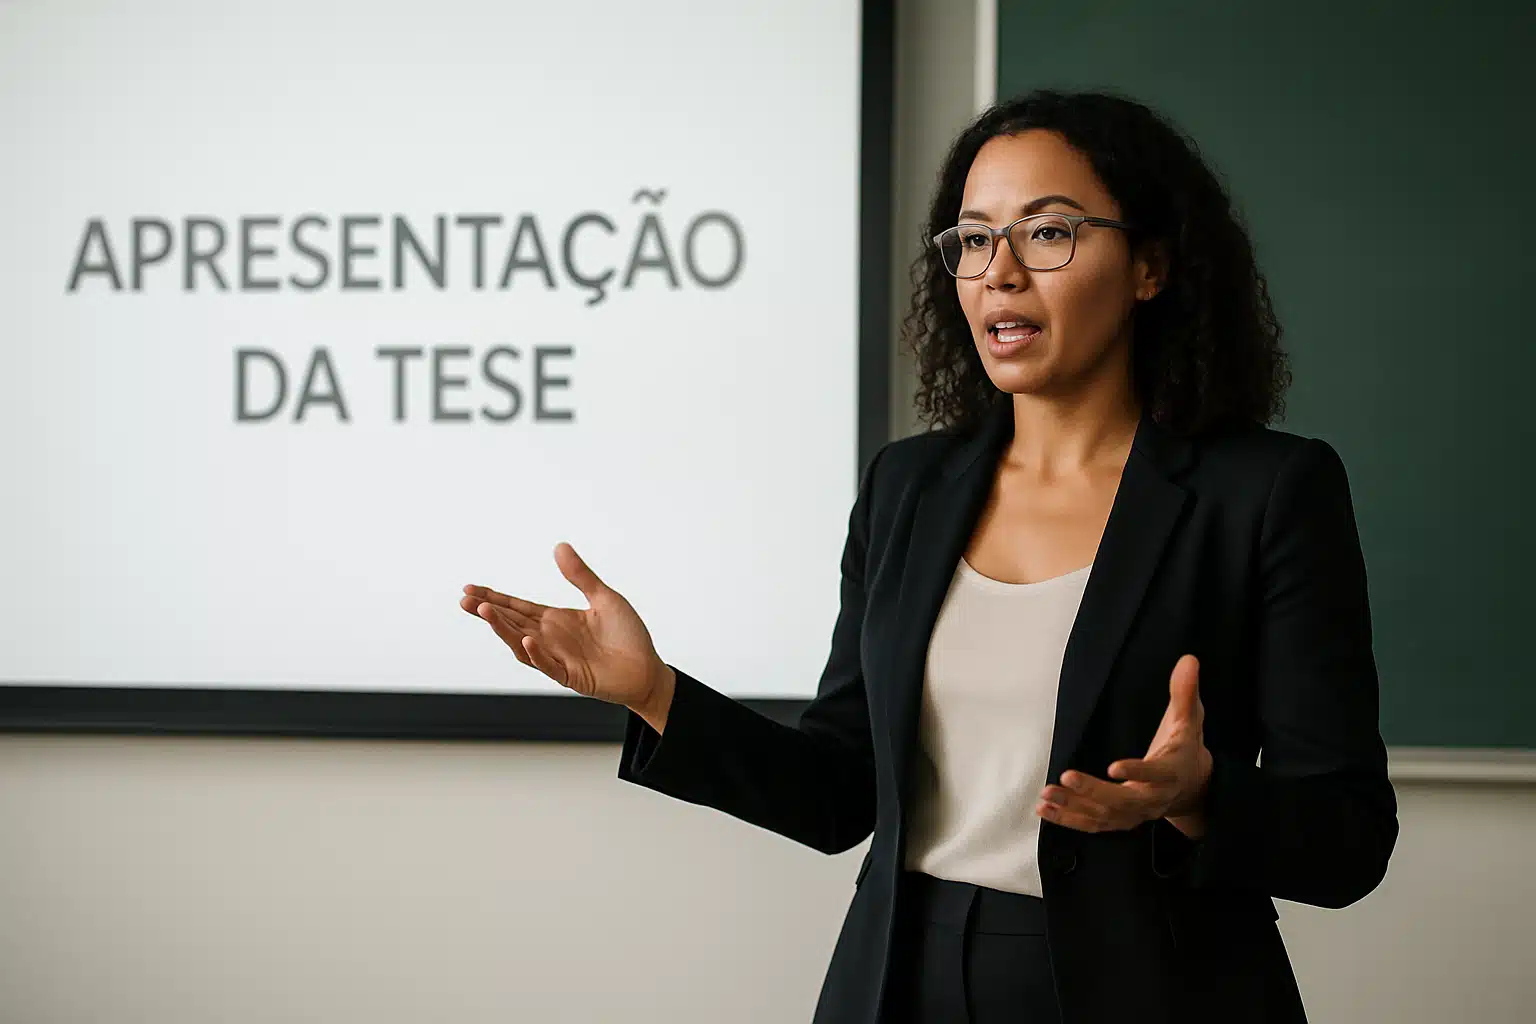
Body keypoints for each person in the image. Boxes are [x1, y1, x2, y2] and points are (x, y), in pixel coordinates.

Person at [458, 89, 1398, 1024]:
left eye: (1048, 232)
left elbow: (1348, 844)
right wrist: (655, 692)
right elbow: (838, 794)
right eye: (974, 239)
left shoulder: (1267, 493)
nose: (1001, 273)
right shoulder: (908, 487)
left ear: (1150, 265)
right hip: (901, 977)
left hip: (1152, 990)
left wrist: (1201, 797)